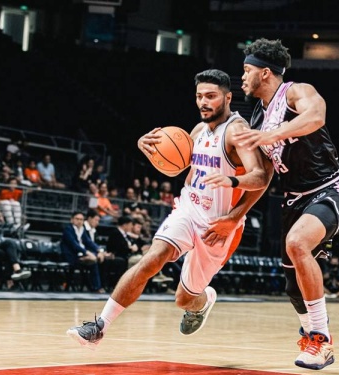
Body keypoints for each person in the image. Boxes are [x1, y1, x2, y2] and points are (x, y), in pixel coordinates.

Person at [67, 69, 272, 347]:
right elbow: (179, 166)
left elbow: (261, 177)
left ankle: (203, 301)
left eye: (211, 96)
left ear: (227, 97)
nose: (203, 102)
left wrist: (234, 216)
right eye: (199, 96)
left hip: (219, 225)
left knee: (184, 299)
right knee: (152, 258)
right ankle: (99, 326)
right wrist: (147, 148)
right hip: (188, 209)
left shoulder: (237, 131)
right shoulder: (198, 130)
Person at [236, 38, 339, 370]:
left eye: (246, 70)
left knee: (297, 242)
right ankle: (311, 332)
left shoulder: (295, 92)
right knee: (293, 289)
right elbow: (262, 178)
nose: (242, 77)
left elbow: (316, 116)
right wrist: (235, 211)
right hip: (293, 200)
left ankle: (321, 339)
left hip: (331, 189)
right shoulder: (257, 118)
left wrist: (272, 135)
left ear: (265, 72)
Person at [60, 210, 107, 293]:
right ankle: (96, 287)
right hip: (71, 256)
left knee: (98, 259)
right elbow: (74, 245)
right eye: (77, 219)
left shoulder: (82, 229)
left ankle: (96, 286)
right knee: (93, 260)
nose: (79, 221)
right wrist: (87, 253)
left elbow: (89, 242)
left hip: (80, 255)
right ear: (72, 220)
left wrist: (100, 250)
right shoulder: (68, 229)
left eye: (81, 219)